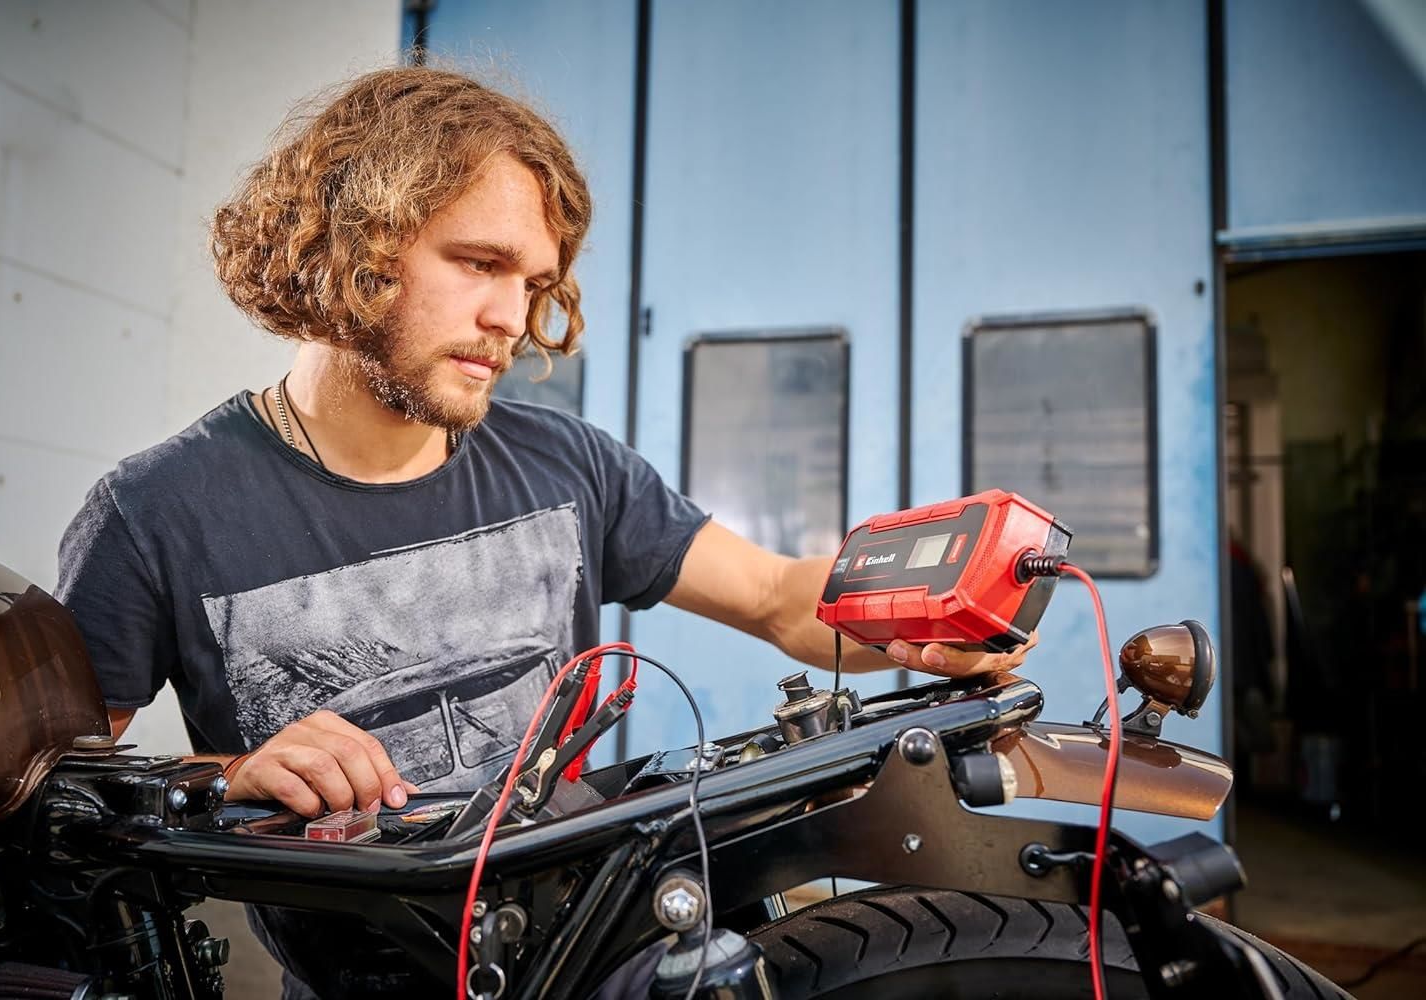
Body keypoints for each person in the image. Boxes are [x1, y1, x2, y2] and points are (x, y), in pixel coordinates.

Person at [55, 65, 1034, 998]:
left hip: (591, 952)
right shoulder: (156, 510)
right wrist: (230, 774)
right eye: (480, 263)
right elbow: (54, 793)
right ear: (352, 243)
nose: (511, 318)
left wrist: (918, 619)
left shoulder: (568, 465)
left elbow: (778, 599)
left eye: (533, 281)